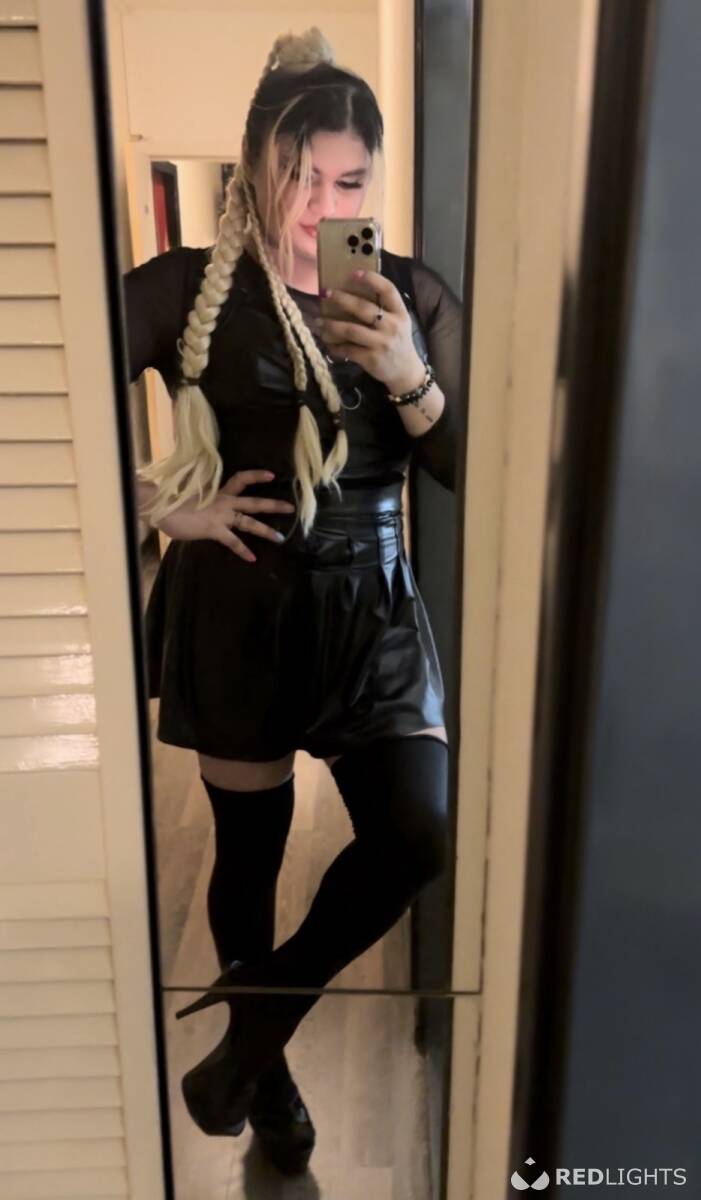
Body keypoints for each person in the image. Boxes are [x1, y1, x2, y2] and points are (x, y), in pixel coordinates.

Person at [124, 26, 463, 1176]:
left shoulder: (409, 294)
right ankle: (265, 1091)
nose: (323, 206)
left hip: (375, 611)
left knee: (416, 833)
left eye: (348, 181)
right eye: (300, 178)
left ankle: (249, 1031)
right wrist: (163, 507)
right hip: (241, 608)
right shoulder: (188, 289)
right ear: (256, 170)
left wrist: (409, 375)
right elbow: (47, 378)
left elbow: (464, 465)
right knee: (247, 859)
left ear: (373, 181)